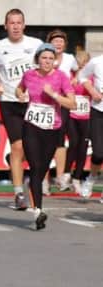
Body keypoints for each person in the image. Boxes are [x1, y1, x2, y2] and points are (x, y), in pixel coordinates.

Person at [0, 8, 43, 210]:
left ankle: (31, 180)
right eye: (12, 23)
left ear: (24, 25)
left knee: (34, 148)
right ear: (5, 26)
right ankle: (18, 193)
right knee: (17, 147)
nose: (16, 26)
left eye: (19, 23)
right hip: (9, 102)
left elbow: (47, 66)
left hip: (34, 102)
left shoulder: (35, 44)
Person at [15, 43, 76, 229]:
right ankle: (38, 212)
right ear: (37, 59)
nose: (47, 61)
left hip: (52, 128)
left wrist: (54, 95)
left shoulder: (61, 77)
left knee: (41, 168)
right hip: (31, 126)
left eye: (51, 58)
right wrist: (21, 95)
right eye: (44, 58)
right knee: (35, 165)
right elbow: (19, 88)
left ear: (55, 61)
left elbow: (72, 104)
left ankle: (30, 185)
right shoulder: (29, 75)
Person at [43, 29, 79, 193]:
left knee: (60, 139)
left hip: (62, 101)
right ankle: (43, 180)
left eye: (61, 41)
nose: (58, 44)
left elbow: (78, 70)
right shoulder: (44, 57)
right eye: (55, 41)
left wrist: (75, 78)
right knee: (44, 140)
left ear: (65, 44)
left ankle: (60, 178)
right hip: (44, 102)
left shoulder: (70, 58)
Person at [64, 50, 92, 194]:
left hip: (86, 116)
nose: (82, 65)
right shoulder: (69, 75)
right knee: (73, 142)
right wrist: (73, 80)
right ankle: (66, 173)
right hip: (72, 115)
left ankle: (77, 178)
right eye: (80, 62)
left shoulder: (91, 77)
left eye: (85, 62)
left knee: (83, 147)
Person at [79, 51, 103, 202]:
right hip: (98, 110)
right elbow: (82, 76)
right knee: (99, 153)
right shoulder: (96, 61)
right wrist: (92, 91)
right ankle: (91, 177)